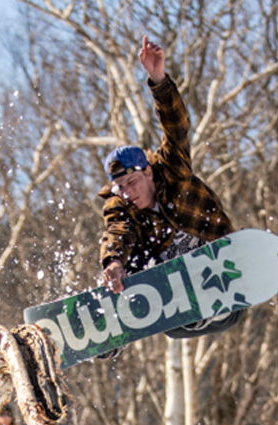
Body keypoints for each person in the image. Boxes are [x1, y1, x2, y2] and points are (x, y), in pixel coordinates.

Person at [98, 35, 243, 356]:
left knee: (159, 251)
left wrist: (158, 80)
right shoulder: (120, 205)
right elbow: (115, 232)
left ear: (147, 171)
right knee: (125, 262)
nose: (128, 193)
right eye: (121, 188)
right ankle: (110, 327)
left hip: (213, 261)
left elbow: (176, 127)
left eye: (133, 182)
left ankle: (210, 301)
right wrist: (114, 262)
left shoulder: (170, 169)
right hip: (171, 293)